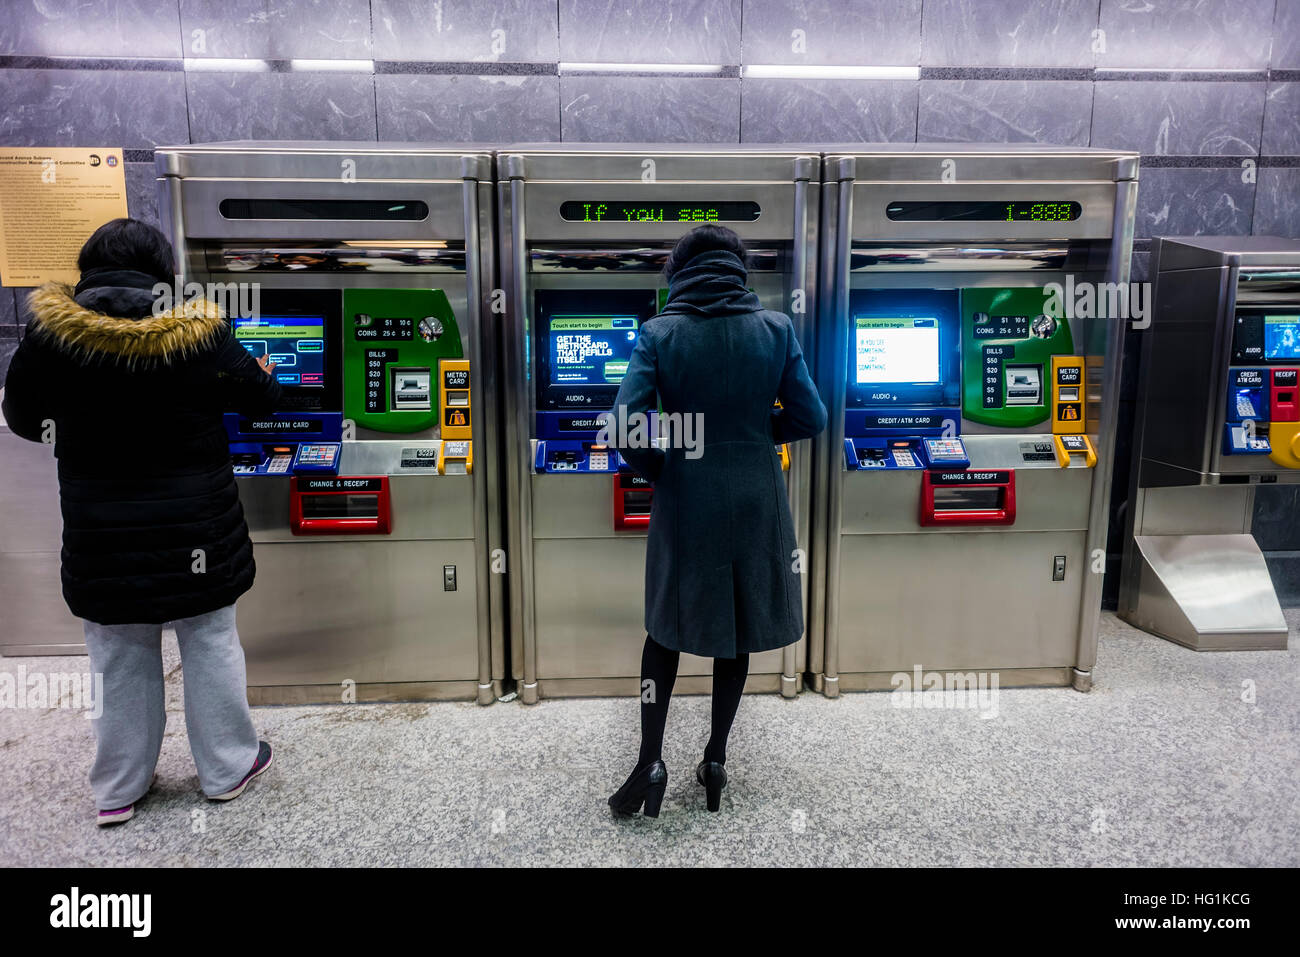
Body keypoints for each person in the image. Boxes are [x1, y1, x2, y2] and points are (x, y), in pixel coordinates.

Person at [1, 218, 281, 826]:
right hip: (197, 527)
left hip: (103, 528)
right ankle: (227, 770)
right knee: (208, 642)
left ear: (88, 266)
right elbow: (262, 398)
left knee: (117, 651)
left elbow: (21, 418)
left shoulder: (51, 336)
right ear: (163, 269)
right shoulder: (199, 330)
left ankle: (119, 789)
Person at [606, 224, 827, 817]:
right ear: (738, 269)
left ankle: (651, 759)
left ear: (678, 272)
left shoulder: (660, 332)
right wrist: (755, 435)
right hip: (757, 498)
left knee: (664, 632)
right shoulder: (776, 329)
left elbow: (623, 424)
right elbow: (811, 417)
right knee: (740, 624)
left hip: (686, 500)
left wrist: (665, 463)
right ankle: (716, 757)